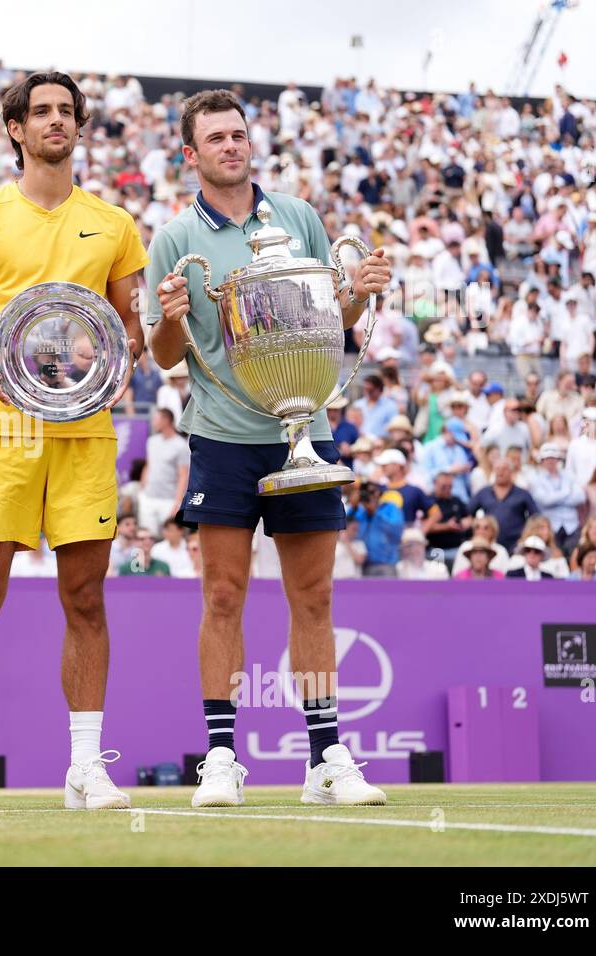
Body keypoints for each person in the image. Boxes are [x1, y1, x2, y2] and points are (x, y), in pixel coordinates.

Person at [0, 71, 147, 813]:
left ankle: (84, 767)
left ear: (79, 126)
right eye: (41, 112)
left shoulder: (113, 224)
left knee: (86, 598)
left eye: (66, 112)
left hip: (83, 433)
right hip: (0, 427)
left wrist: (120, 359)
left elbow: (128, 328)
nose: (55, 121)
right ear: (15, 129)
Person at [150, 89, 390, 807]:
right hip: (222, 434)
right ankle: (221, 758)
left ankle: (326, 758)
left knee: (313, 597)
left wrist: (358, 295)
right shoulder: (171, 237)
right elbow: (166, 355)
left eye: (239, 134)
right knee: (222, 595)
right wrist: (165, 318)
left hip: (302, 431)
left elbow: (330, 325)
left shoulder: (299, 218)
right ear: (190, 154)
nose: (232, 145)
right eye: (216, 138)